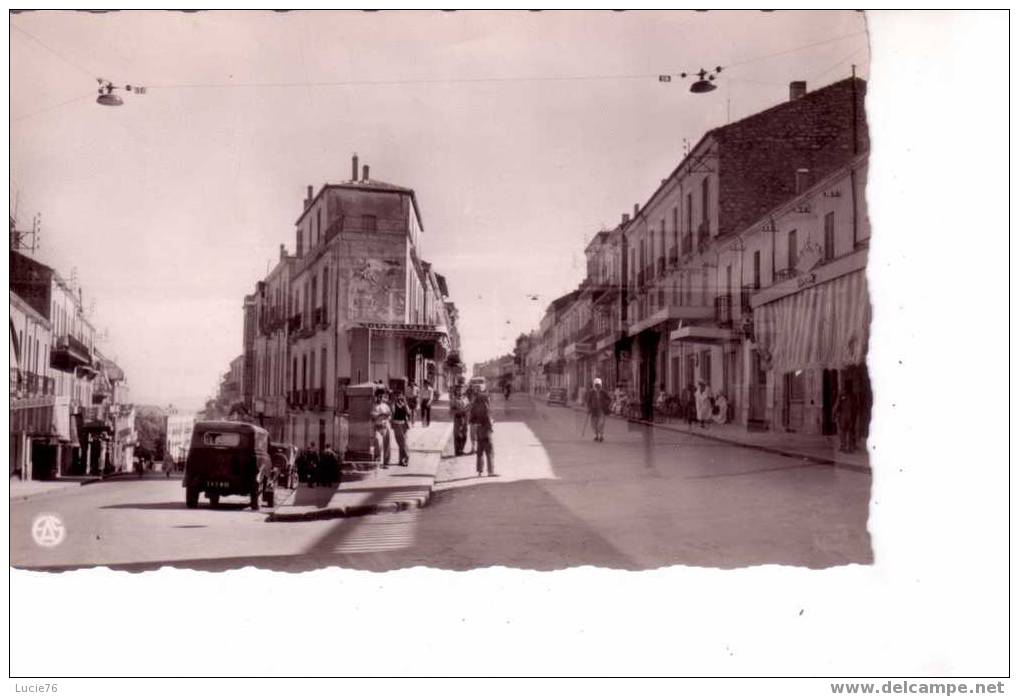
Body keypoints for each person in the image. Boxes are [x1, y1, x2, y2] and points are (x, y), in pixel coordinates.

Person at [469, 390, 495, 476]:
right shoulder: (485, 406)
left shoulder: (474, 406)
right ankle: (490, 471)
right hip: (486, 431)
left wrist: (478, 423)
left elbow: (471, 420)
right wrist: (491, 426)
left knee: (479, 451)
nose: (489, 399)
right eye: (488, 398)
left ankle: (479, 470)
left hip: (478, 430)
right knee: (489, 450)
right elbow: (488, 419)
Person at [585, 377, 612, 442]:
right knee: (594, 424)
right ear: (594, 385)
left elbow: (609, 399)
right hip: (594, 410)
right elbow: (588, 401)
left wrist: (606, 404)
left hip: (602, 410)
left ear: (600, 385)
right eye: (596, 385)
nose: (597, 386)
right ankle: (596, 436)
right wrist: (589, 408)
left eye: (598, 385)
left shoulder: (603, 392)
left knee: (601, 423)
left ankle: (601, 436)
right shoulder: (591, 392)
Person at [371, 389, 393, 468]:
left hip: (386, 425)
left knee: (387, 443)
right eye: (379, 396)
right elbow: (373, 416)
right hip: (378, 426)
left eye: (382, 396)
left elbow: (389, 415)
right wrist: (381, 415)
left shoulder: (385, 406)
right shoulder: (374, 406)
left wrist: (386, 416)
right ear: (376, 397)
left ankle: (386, 462)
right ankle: (377, 460)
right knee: (377, 442)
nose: (381, 398)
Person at [833, 389, 859, 453]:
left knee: (842, 431)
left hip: (843, 417)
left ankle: (843, 446)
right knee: (850, 431)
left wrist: (833, 414)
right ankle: (850, 447)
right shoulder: (853, 396)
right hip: (851, 417)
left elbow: (836, 406)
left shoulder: (841, 395)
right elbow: (857, 406)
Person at [390, 394, 412, 466]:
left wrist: (405, 404)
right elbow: (393, 414)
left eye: (401, 396)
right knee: (401, 443)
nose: (400, 398)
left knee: (404, 442)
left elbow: (408, 412)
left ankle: (404, 459)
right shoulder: (393, 404)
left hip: (404, 425)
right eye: (398, 396)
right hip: (397, 425)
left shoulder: (404, 404)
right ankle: (403, 458)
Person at [450, 384, 471, 456]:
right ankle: (457, 451)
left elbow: (469, 407)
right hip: (458, 418)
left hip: (465, 418)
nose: (460, 391)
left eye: (461, 390)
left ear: (464, 390)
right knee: (457, 435)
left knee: (464, 434)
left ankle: (462, 449)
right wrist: (457, 411)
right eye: (458, 390)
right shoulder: (454, 399)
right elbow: (451, 410)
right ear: (456, 391)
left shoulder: (466, 398)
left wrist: (467, 410)